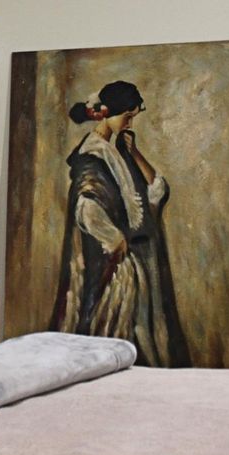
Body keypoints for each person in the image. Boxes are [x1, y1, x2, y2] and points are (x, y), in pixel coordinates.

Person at [50, 80, 191, 366]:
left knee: (143, 337)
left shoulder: (117, 151)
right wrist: (115, 240)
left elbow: (156, 191)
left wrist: (135, 151)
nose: (129, 123)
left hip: (137, 264)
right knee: (117, 335)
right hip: (116, 268)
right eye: (127, 116)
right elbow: (86, 207)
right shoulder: (92, 156)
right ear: (108, 113)